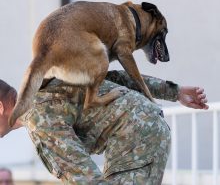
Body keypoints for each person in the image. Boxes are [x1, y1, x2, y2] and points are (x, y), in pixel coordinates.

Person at [0, 70, 208, 185]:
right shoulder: (42, 86)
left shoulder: (38, 119)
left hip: (136, 139)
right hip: (138, 133)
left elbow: (84, 178)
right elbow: (113, 78)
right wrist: (174, 91)